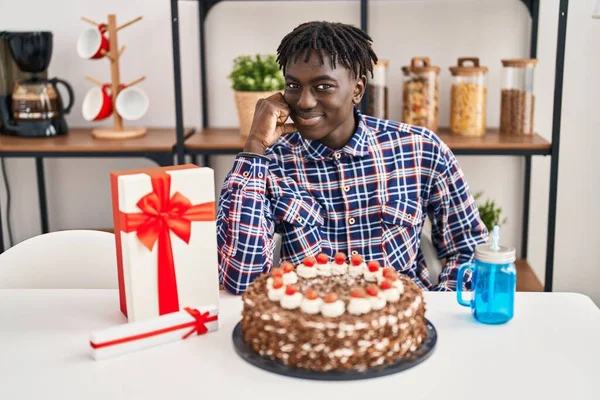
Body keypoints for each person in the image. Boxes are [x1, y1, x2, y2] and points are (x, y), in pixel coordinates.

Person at [217, 21, 487, 294]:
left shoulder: (420, 150)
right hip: (309, 323)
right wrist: (254, 146)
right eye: (293, 85)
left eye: (323, 86)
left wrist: (439, 309)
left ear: (357, 90)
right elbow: (241, 279)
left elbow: (468, 249)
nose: (304, 102)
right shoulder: (269, 162)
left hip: (401, 321)